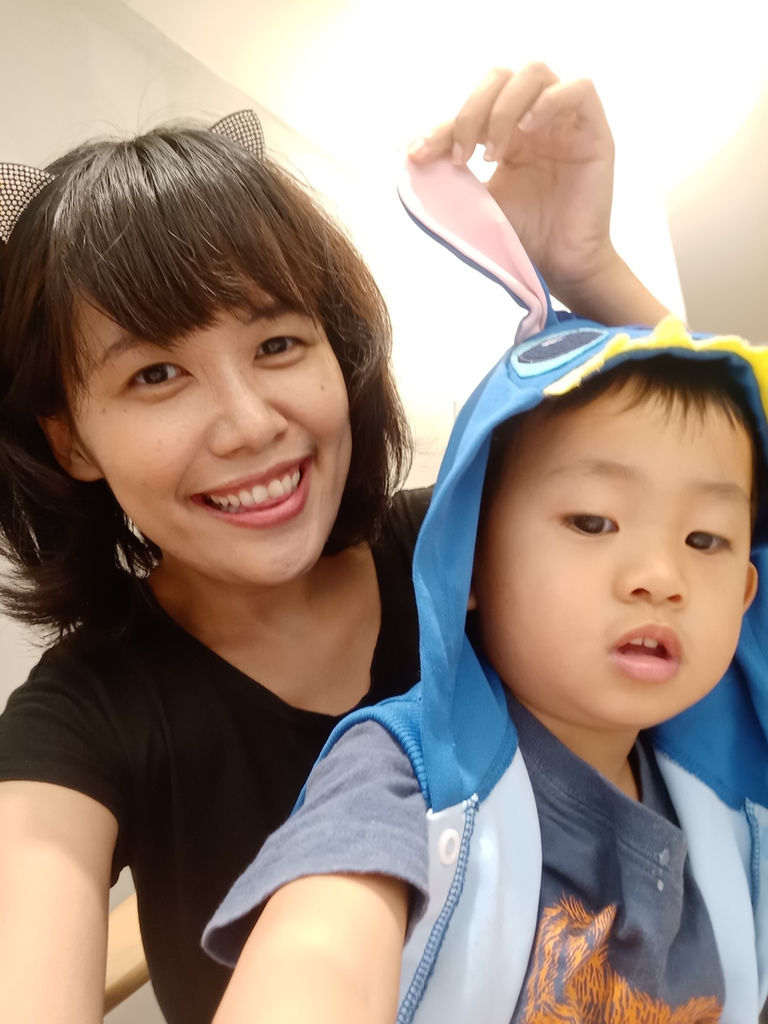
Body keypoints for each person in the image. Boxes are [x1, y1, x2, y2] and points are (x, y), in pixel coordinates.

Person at [0, 65, 668, 1023]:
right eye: (155, 375)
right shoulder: (83, 715)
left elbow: (720, 531)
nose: (249, 424)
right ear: (70, 441)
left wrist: (586, 269)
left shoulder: (471, 544)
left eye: (277, 344)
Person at [201, 184, 768, 1020]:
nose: (660, 575)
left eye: (706, 539)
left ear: (747, 592)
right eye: (593, 521)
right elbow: (320, 952)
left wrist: (600, 272)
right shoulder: (410, 776)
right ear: (469, 562)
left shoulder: (722, 763)